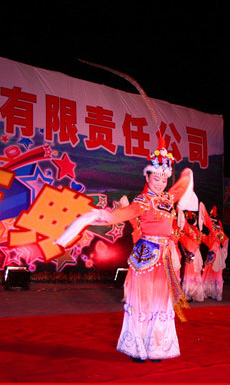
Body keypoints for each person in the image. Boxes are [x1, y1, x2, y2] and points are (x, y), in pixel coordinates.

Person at [56, 136, 198, 362]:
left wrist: (187, 173)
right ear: (147, 177)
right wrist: (102, 215)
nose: (160, 182)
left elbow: (180, 187)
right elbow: (122, 215)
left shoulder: (167, 198)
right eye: (156, 178)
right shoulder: (142, 201)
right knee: (143, 301)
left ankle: (156, 347)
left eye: (164, 179)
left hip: (163, 258)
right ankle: (138, 347)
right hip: (146, 258)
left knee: (160, 303)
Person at [200, 205, 229, 301]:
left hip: (216, 252)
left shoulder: (216, 229)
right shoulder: (215, 230)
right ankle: (212, 292)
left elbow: (225, 239)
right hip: (214, 251)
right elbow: (225, 240)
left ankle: (215, 293)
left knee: (215, 273)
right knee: (211, 272)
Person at [180, 210, 206, 302]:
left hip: (191, 255)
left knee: (189, 274)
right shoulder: (198, 232)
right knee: (196, 274)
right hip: (196, 254)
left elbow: (184, 230)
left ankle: (189, 294)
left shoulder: (191, 231)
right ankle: (195, 294)